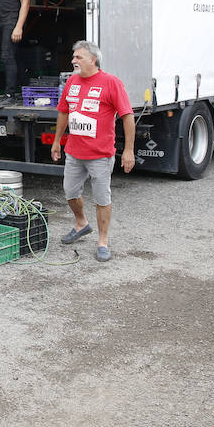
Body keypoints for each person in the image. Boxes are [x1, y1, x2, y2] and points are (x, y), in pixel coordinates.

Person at [51, 40, 135, 262]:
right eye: (73, 57)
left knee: (101, 198)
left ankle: (103, 242)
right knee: (70, 192)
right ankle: (81, 223)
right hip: (74, 152)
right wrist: (57, 141)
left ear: (93, 60)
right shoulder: (72, 82)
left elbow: (127, 116)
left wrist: (128, 150)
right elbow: (63, 112)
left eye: (78, 57)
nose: (73, 60)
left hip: (100, 154)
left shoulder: (111, 83)